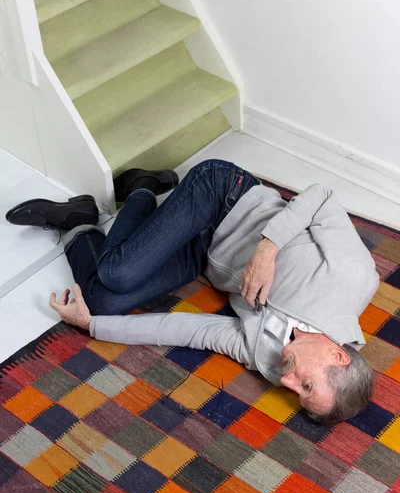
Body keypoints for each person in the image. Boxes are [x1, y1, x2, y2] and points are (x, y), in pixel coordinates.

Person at [7, 160, 379, 423]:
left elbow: (194, 331)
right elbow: (322, 196)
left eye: (297, 394)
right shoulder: (353, 277)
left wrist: (94, 326)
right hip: (222, 197)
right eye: (306, 384)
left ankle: (80, 219)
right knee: (118, 273)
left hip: (204, 255)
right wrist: (268, 247)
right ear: (338, 356)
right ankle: (139, 191)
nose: (287, 383)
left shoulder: (273, 363)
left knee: (102, 302)